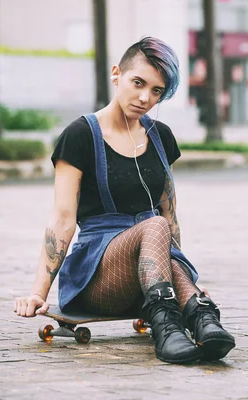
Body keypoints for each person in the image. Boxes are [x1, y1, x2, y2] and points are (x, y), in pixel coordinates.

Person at [13, 36, 235, 364]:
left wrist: (182, 281)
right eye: (138, 83)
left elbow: (170, 214)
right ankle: (168, 324)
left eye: (157, 91)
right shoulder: (80, 135)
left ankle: (200, 316)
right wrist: (38, 293)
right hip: (99, 277)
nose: (145, 97)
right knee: (154, 224)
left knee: (158, 224)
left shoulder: (160, 137)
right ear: (117, 74)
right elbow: (62, 218)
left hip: (148, 274)